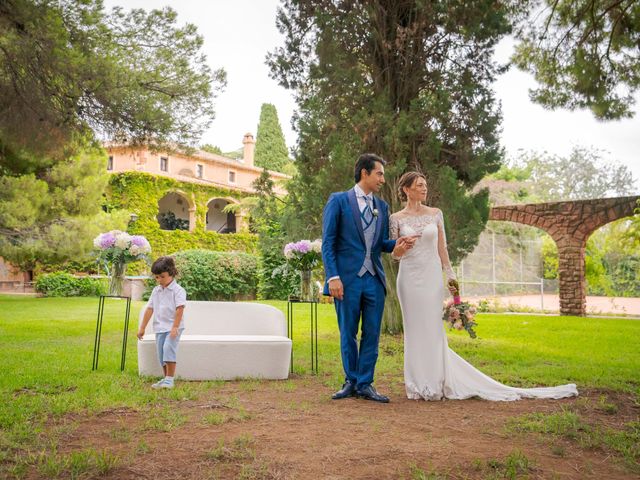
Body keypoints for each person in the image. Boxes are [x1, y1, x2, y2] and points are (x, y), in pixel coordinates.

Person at [390, 171, 578, 401]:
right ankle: (416, 384)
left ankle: (435, 381)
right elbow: (395, 255)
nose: (424, 188)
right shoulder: (396, 218)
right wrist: (400, 249)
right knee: (413, 329)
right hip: (408, 279)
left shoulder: (436, 214)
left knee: (432, 328)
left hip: (430, 278)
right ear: (406, 189)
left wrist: (451, 277)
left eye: (425, 184)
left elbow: (443, 250)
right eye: (419, 185)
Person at [322, 153, 416, 403]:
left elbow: (380, 244)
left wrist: (398, 243)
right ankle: (350, 381)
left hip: (374, 279)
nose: (383, 179)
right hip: (347, 280)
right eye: (379, 174)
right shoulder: (339, 201)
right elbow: (328, 243)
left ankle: (365, 383)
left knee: (372, 333)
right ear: (365, 173)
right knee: (348, 332)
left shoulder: (381, 207)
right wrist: (333, 277)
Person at [137, 256, 187, 389]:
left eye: (162, 276)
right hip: (159, 327)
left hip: (173, 327)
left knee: (168, 349)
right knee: (161, 354)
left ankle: (170, 380)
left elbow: (180, 309)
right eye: (156, 277)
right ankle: (166, 379)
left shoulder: (178, 291)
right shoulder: (156, 291)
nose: (159, 280)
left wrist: (175, 327)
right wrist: (142, 328)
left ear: (171, 273)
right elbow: (149, 309)